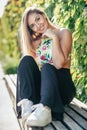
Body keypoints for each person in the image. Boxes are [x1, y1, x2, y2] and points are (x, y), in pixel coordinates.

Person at [16, 7, 76, 127]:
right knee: (25, 60)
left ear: (43, 15)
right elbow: (28, 72)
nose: (38, 26)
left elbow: (59, 64)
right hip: (46, 91)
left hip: (63, 88)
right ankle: (27, 107)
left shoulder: (63, 33)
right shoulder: (35, 42)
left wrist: (53, 38)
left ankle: (46, 109)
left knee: (47, 67)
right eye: (32, 25)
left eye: (38, 19)